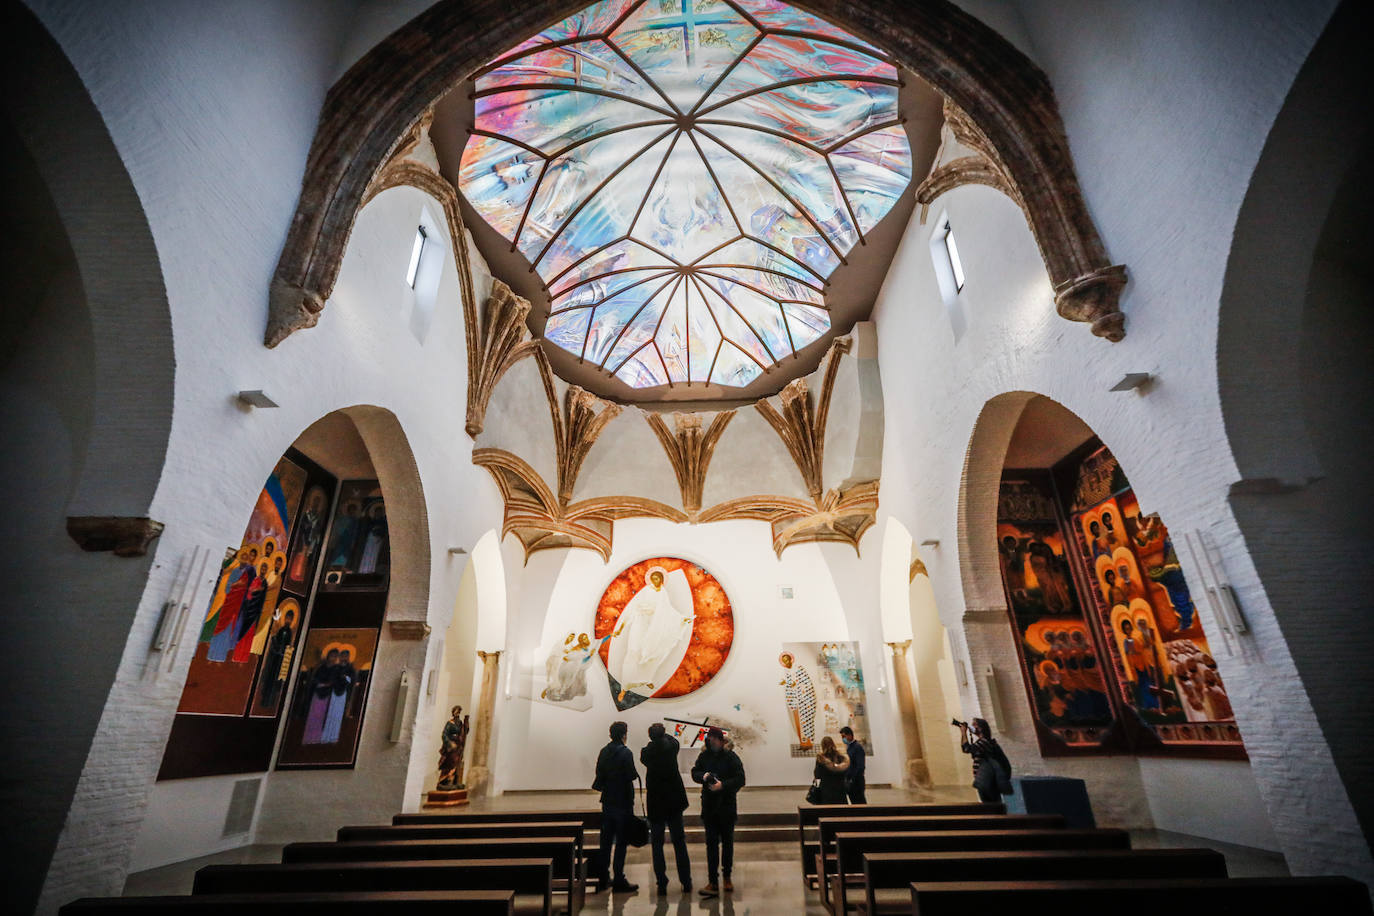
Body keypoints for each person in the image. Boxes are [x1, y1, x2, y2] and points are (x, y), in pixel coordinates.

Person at [691, 726, 745, 897]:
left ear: (722, 741)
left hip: (726, 806)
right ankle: (713, 880)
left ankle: (727, 877)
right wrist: (704, 776)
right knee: (711, 845)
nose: (712, 741)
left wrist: (723, 785)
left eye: (715, 738)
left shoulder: (731, 757)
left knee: (727, 844)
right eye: (710, 738)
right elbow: (695, 772)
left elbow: (740, 778)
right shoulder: (704, 755)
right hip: (709, 807)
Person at [640, 723, 691, 893]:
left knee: (657, 844)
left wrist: (652, 742)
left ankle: (661, 881)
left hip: (656, 803)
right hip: (674, 802)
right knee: (679, 842)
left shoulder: (647, 752)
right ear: (663, 734)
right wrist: (664, 736)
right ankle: (686, 880)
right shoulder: (672, 748)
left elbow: (645, 753)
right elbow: (673, 740)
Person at [591, 721, 639, 893]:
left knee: (605, 841)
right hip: (623, 802)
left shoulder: (604, 751)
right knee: (621, 842)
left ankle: (603, 877)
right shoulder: (626, 753)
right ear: (623, 735)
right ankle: (619, 878)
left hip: (608, 801)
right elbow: (632, 774)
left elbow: (599, 773)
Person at [957, 718, 1010, 803]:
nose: (972, 726)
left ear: (981, 728)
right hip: (984, 780)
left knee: (992, 806)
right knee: (990, 805)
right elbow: (965, 748)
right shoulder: (982, 741)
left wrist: (963, 732)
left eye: (974, 724)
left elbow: (967, 748)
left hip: (988, 781)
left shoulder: (984, 742)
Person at [813, 736, 849, 804]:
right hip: (840, 787)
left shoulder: (821, 758)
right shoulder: (840, 756)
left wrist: (816, 786)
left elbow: (817, 774)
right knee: (841, 809)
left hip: (826, 788)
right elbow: (845, 771)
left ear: (823, 745)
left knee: (827, 810)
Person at [838, 725, 866, 803]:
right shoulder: (850, 747)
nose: (843, 739)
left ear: (849, 735)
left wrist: (852, 779)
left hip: (856, 781)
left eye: (844, 736)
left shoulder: (857, 747)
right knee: (854, 802)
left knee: (859, 802)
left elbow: (860, 766)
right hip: (851, 780)